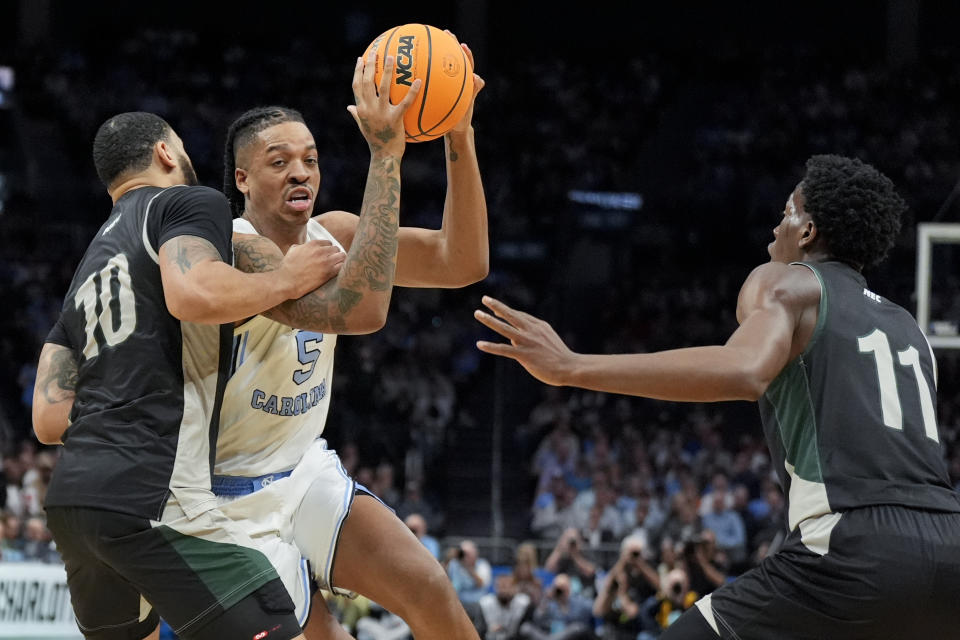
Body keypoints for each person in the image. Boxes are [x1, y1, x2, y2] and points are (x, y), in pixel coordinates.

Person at [475, 155, 960, 638]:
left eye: (786, 212)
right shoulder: (909, 326)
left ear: (808, 231)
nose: (775, 229)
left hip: (854, 547)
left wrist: (571, 367)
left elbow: (744, 371)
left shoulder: (787, 280)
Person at [30, 111, 343, 640]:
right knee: (277, 625)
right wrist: (288, 277)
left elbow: (47, 417)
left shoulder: (90, 267)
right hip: (154, 491)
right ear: (165, 154)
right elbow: (193, 293)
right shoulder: (187, 202)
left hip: (75, 502)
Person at [212, 40, 487, 639]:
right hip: (224, 495)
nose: (300, 171)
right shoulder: (228, 247)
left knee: (430, 590)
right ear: (242, 179)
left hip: (303, 468)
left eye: (310, 158)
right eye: (278, 161)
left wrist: (457, 133)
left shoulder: (333, 234)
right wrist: (387, 156)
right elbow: (360, 312)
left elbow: (461, 260)